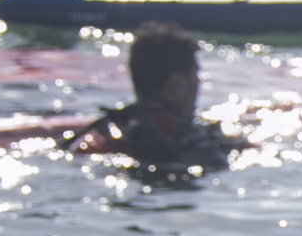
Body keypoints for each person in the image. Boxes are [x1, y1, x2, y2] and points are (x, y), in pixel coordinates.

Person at [70, 22, 243, 178]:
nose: (199, 82)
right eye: (196, 74)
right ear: (178, 83)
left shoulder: (100, 140)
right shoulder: (205, 141)